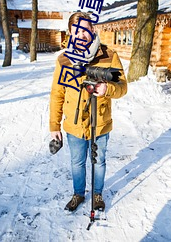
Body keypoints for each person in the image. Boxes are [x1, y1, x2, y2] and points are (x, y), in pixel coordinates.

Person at [49, 12, 127, 212]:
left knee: (99, 160)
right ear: (70, 33)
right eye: (77, 32)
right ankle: (78, 194)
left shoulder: (109, 56)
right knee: (77, 162)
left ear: (92, 29)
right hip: (74, 125)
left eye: (85, 30)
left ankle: (98, 194)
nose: (82, 35)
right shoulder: (64, 60)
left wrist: (107, 89)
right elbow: (57, 94)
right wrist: (54, 126)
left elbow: (122, 87)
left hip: (100, 122)